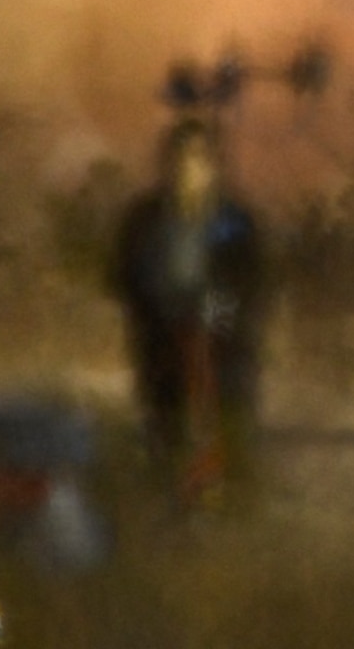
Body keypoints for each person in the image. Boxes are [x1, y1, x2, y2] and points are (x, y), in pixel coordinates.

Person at [111, 118, 266, 499]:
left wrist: (212, 323)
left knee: (225, 437)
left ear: (214, 163)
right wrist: (164, 315)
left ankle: (228, 506)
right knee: (166, 439)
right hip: (163, 346)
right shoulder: (144, 219)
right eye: (180, 156)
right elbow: (125, 278)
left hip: (222, 351)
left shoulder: (235, 221)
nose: (188, 166)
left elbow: (249, 281)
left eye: (198, 156)